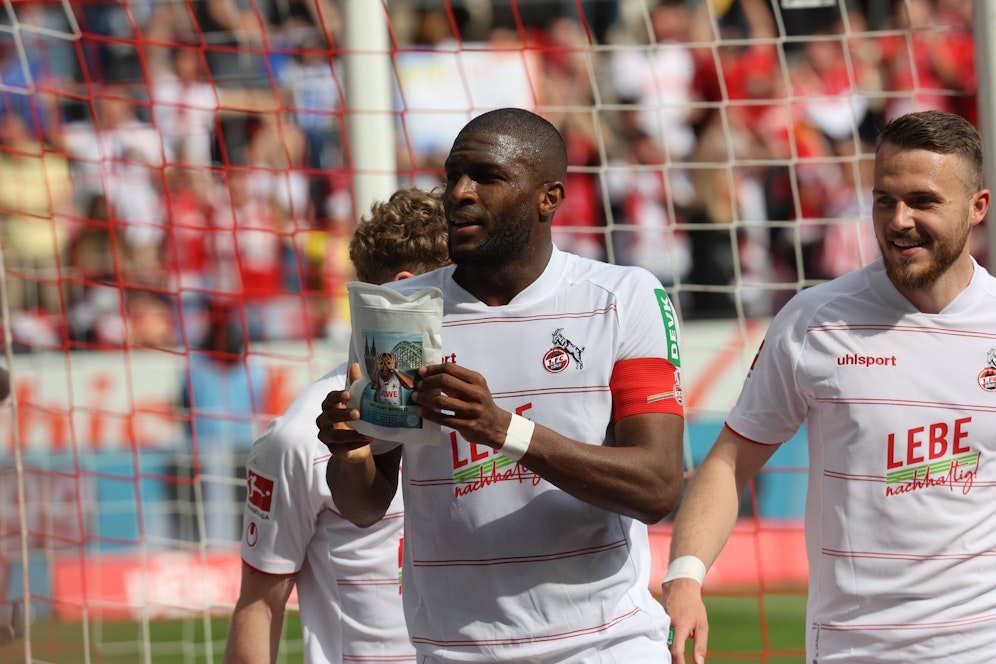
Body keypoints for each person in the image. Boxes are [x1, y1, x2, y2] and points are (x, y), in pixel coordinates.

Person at [317, 107, 686, 662]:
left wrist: (503, 430)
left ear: (549, 197)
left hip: (604, 646)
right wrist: (350, 452)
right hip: (453, 651)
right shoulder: (399, 310)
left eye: (486, 177)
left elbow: (658, 488)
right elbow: (365, 504)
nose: (458, 193)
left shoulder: (621, 297)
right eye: (452, 175)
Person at [662, 109, 996, 664]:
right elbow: (727, 462)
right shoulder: (813, 320)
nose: (899, 220)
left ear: (977, 207)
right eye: (884, 199)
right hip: (852, 650)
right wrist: (685, 576)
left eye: (924, 201)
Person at [224, 187, 451, 664]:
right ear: (408, 289)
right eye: (460, 288)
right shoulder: (299, 436)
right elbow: (259, 607)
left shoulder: (481, 405)